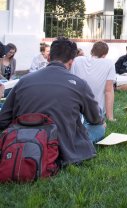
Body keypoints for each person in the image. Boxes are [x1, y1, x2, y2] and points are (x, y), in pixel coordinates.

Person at [0, 37, 103, 166]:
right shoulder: (79, 84)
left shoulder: (24, 81)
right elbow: (95, 119)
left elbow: (3, 119)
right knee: (99, 127)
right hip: (65, 149)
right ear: (71, 62)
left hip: (24, 141)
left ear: (48, 58)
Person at [71, 41, 116, 143]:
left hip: (77, 109)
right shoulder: (109, 63)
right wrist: (110, 117)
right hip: (95, 111)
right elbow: (108, 91)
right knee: (98, 129)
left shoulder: (77, 60)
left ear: (92, 51)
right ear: (104, 54)